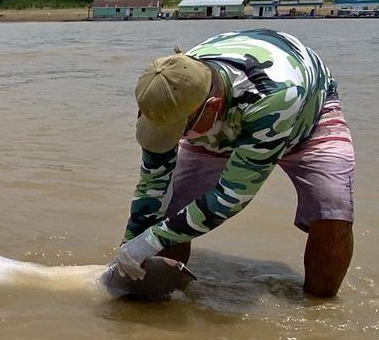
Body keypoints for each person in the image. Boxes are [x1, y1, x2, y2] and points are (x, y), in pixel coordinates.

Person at [114, 29, 354, 297]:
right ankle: (157, 300)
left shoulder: (278, 96)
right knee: (172, 209)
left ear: (213, 107)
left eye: (180, 131)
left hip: (305, 112)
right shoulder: (166, 89)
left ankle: (319, 312)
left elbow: (231, 196)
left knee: (332, 208)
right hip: (217, 121)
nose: (176, 139)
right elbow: (153, 183)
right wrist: (130, 245)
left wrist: (152, 239)